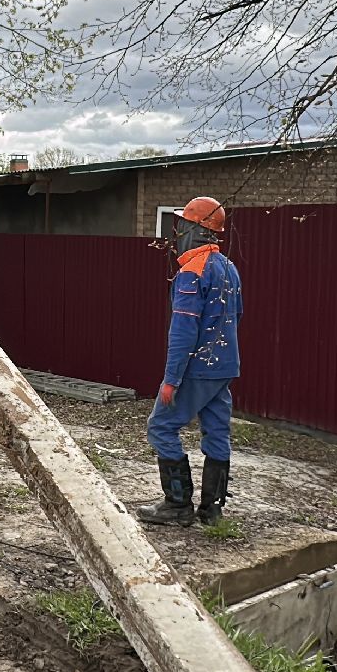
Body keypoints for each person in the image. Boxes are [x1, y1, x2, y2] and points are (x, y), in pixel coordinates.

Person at [138, 196, 241, 527]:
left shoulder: (191, 272)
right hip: (224, 368)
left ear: (194, 229)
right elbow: (235, 317)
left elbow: (182, 332)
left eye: (182, 223)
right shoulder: (228, 268)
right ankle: (212, 510)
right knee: (216, 432)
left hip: (197, 369)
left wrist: (171, 380)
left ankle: (178, 504)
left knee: (160, 426)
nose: (178, 229)